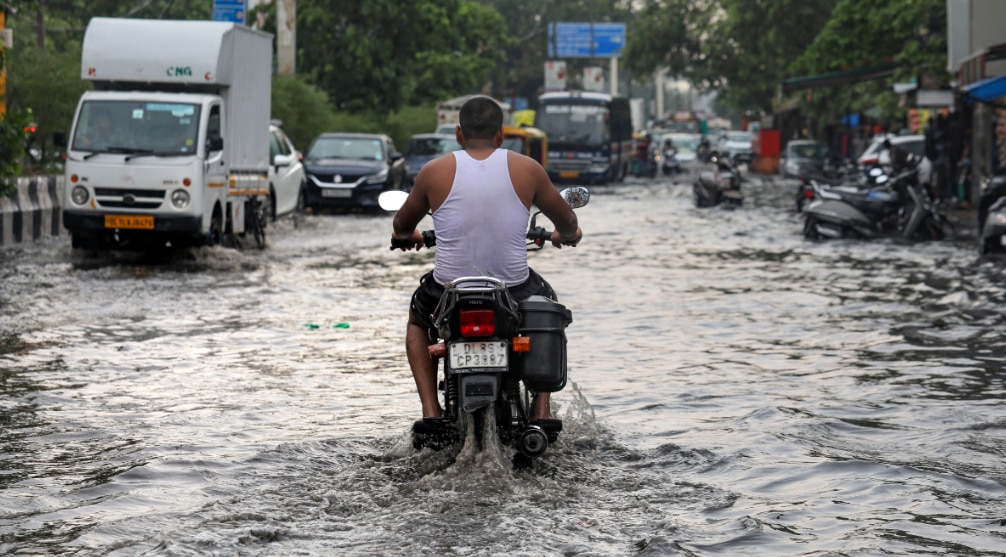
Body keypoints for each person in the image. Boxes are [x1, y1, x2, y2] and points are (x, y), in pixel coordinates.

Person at [390, 96, 582, 431]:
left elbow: (401, 226)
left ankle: (431, 412)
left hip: (448, 292)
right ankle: (541, 410)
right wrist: (566, 234)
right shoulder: (528, 169)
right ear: (500, 135)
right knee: (548, 306)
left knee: (418, 321)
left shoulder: (433, 171)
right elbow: (567, 222)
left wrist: (409, 236)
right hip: (513, 290)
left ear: (458, 134)